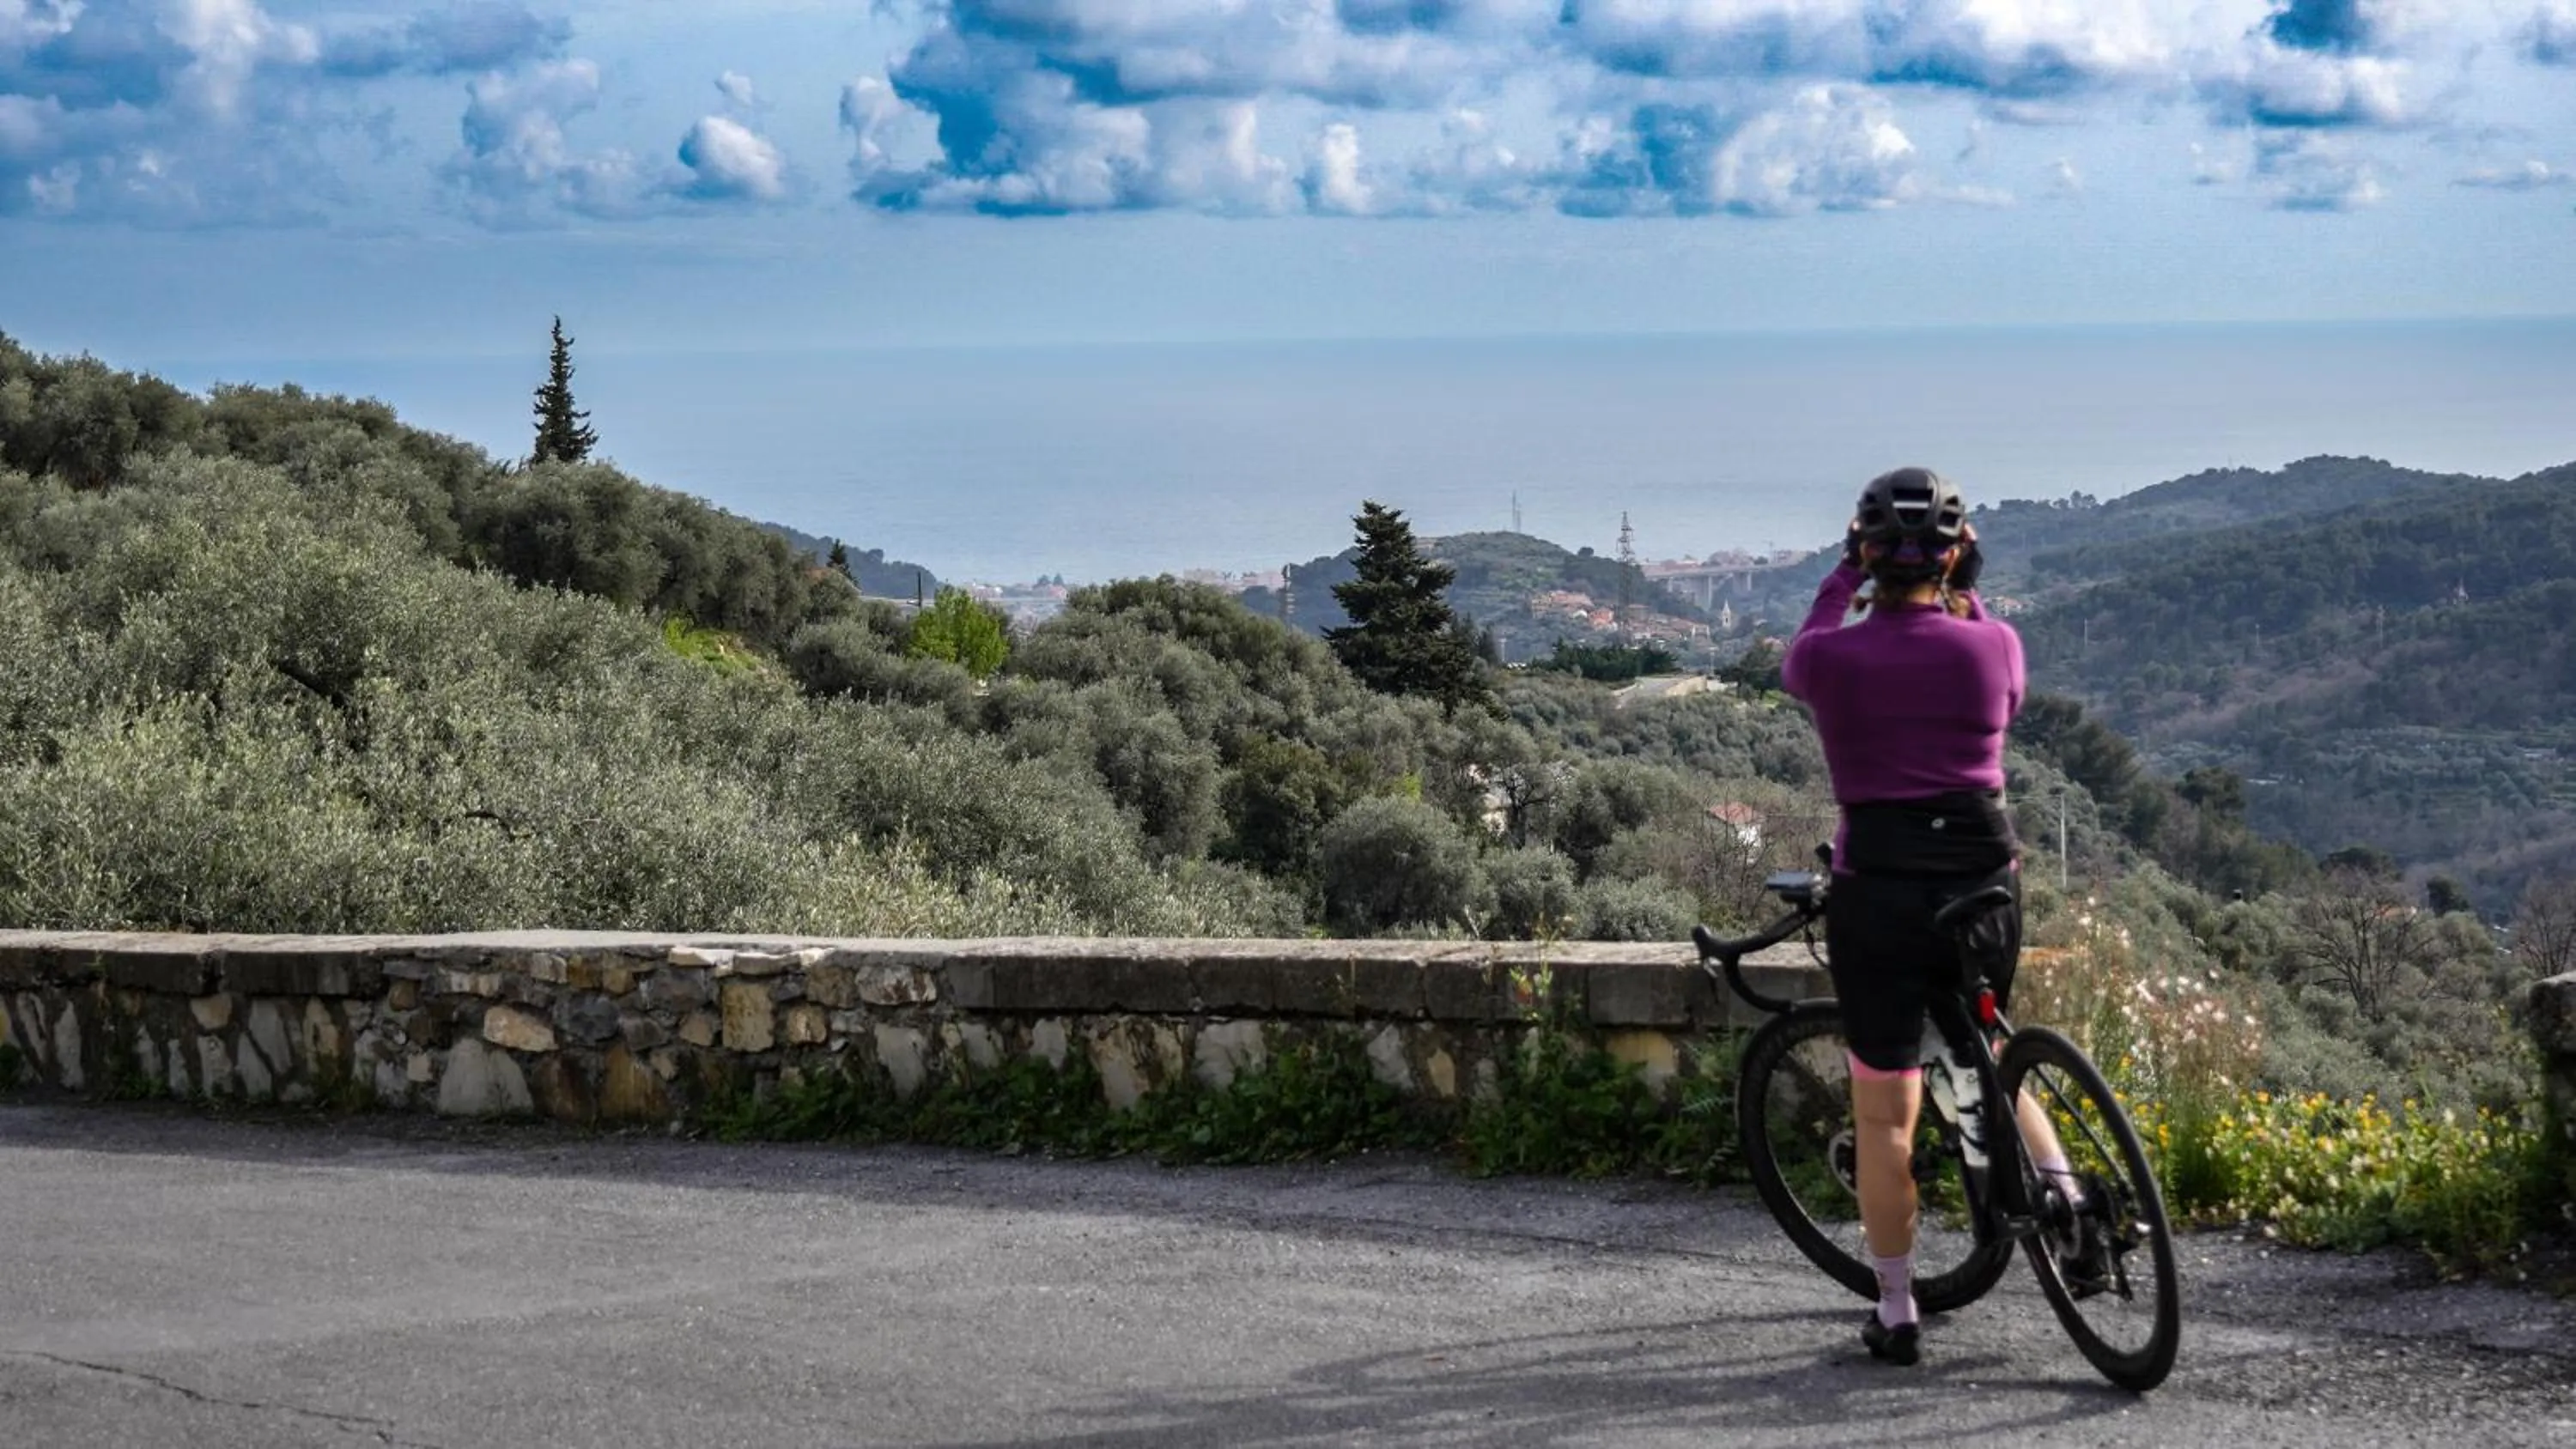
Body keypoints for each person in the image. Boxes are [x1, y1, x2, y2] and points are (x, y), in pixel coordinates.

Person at [1780, 466, 2077, 1367]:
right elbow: (1995, 667)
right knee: (1987, 1048)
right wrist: (1967, 586)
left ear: (1867, 553)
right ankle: (2067, 1194)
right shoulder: (1996, 647)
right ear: (1954, 557)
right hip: (1985, 883)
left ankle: (1898, 1307)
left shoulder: (1830, 661)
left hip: (1880, 894)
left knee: (1886, 1118)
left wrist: (1845, 571)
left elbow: (1807, 643)